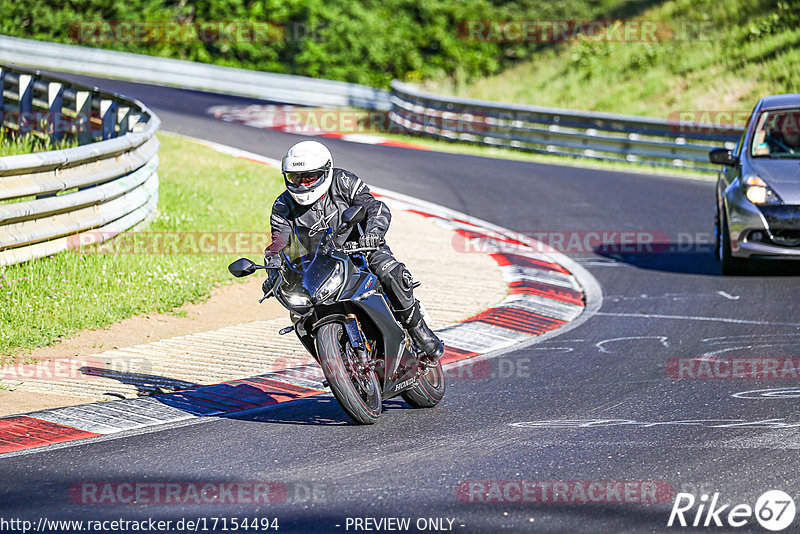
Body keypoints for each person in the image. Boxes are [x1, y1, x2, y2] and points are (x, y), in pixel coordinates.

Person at [262, 140, 444, 363]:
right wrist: (272, 274)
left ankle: (418, 330)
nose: (301, 184)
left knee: (388, 271)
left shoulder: (343, 181)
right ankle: (334, 362)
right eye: (294, 178)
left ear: (325, 171)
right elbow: (278, 245)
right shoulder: (283, 205)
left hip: (360, 249)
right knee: (299, 310)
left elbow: (374, 207)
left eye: (308, 177)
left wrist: (373, 233)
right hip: (319, 264)